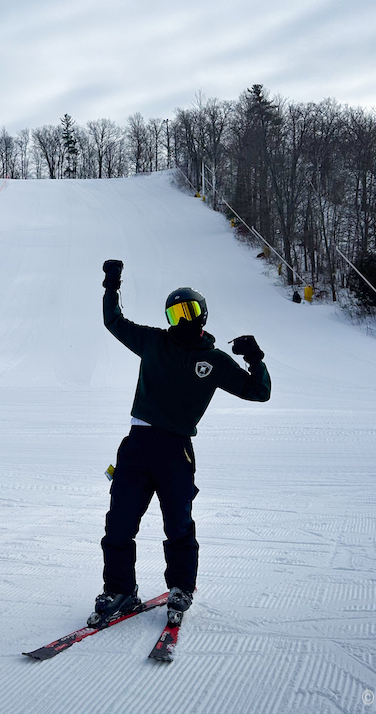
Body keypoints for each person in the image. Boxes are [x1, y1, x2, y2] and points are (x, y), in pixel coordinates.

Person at [89, 259, 271, 628]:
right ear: (169, 319)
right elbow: (114, 322)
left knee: (179, 525)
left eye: (189, 311)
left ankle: (181, 588)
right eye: (176, 313)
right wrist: (111, 284)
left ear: (202, 316)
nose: (183, 319)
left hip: (176, 451)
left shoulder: (214, 361)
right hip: (137, 445)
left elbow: (259, 392)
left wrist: (255, 359)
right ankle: (119, 590)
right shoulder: (154, 341)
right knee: (119, 524)